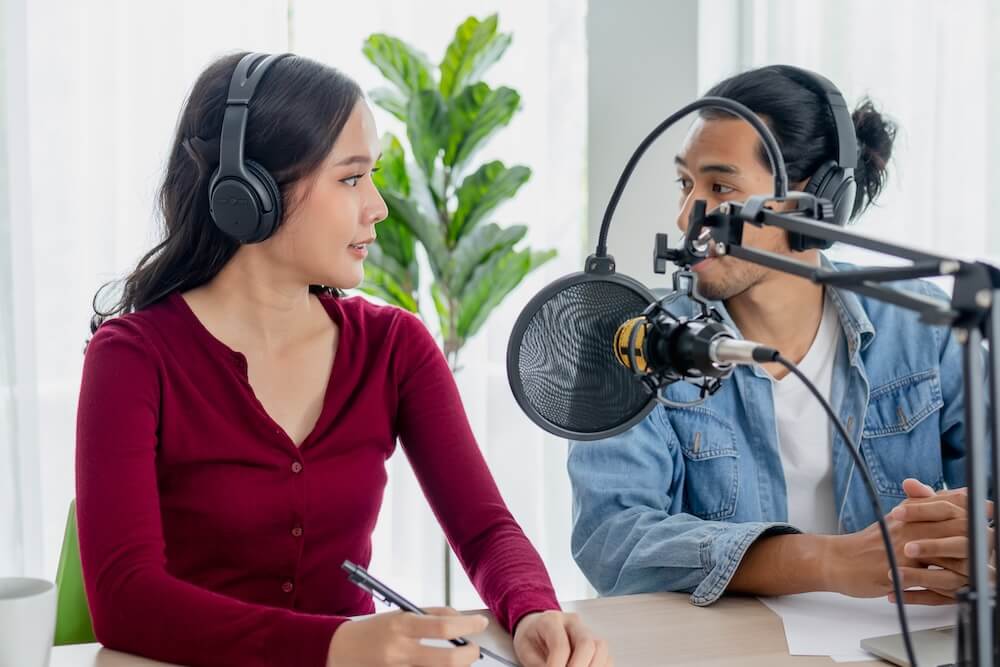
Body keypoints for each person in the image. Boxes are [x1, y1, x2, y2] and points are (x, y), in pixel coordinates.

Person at [77, 52, 610, 667]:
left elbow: (485, 529)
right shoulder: (132, 358)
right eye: (352, 177)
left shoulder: (393, 346)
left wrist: (533, 607)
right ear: (249, 194)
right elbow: (125, 601)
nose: (378, 206)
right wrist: (334, 645)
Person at [568, 64, 987, 608]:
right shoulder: (638, 342)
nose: (686, 220)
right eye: (685, 185)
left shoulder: (927, 332)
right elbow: (612, 538)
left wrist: (976, 547)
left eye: (720, 188)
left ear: (816, 200)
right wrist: (827, 561)